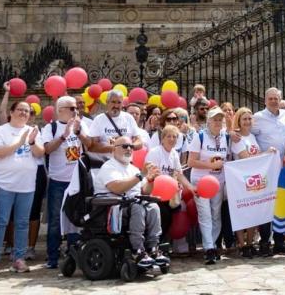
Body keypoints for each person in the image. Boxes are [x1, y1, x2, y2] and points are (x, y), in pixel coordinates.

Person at [93, 136, 169, 269]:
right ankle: (137, 250)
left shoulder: (133, 169)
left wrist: (150, 180)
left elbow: (144, 191)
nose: (129, 149)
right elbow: (117, 188)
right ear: (114, 149)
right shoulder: (108, 167)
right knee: (138, 208)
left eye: (131, 146)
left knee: (153, 207)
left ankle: (153, 247)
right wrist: (140, 176)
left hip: (132, 203)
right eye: (125, 146)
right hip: (112, 207)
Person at [0, 100, 44, 273]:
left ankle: (19, 258)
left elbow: (40, 153)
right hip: (3, 184)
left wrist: (32, 142)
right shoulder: (0, 131)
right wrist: (19, 143)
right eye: (20, 109)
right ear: (11, 112)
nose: (24, 113)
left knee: (22, 223)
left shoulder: (33, 131)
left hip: (26, 185)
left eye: (27, 111)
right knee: (1, 222)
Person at [41, 96, 90, 269]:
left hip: (77, 181)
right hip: (58, 181)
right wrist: (64, 135)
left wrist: (79, 132)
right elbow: (47, 149)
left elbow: (89, 145)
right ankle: (52, 258)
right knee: (55, 220)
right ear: (60, 110)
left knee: (76, 220)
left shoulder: (82, 124)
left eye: (76, 108)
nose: (76, 111)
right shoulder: (50, 127)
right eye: (72, 108)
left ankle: (73, 256)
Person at [251, 87, 285, 256]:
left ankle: (280, 241)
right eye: (271, 98)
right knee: (266, 204)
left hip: (283, 166)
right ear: (265, 100)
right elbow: (248, 135)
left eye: (276, 98)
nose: (274, 101)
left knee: (280, 204)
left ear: (280, 100)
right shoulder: (257, 117)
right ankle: (264, 241)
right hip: (265, 168)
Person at [145, 124, 196, 255]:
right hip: (155, 193)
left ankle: (160, 247)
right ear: (162, 139)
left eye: (174, 137)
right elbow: (150, 172)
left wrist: (191, 188)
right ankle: (153, 247)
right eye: (169, 136)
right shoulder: (155, 152)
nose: (172, 139)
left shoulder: (174, 154)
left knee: (171, 216)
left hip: (169, 194)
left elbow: (179, 174)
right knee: (163, 216)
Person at [189, 107, 230, 264]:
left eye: (220, 119)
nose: (218, 122)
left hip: (218, 181)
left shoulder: (225, 136)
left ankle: (211, 245)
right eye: (214, 120)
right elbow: (191, 162)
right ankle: (208, 248)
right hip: (201, 181)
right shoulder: (199, 136)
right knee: (205, 214)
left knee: (215, 214)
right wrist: (210, 165)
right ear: (208, 121)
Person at [231, 107, 263, 257]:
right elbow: (245, 157)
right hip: (240, 180)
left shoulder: (252, 137)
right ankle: (242, 245)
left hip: (253, 179)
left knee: (253, 212)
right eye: (244, 119)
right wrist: (266, 154)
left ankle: (250, 243)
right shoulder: (237, 138)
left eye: (250, 118)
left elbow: (257, 154)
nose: (247, 121)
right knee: (241, 213)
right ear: (238, 120)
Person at [87, 90, 141, 168]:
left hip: (126, 165)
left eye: (119, 102)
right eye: (113, 102)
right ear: (107, 102)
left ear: (122, 104)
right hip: (105, 164)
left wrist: (127, 146)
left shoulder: (129, 118)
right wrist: (114, 148)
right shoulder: (99, 119)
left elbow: (139, 142)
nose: (116, 105)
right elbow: (92, 146)